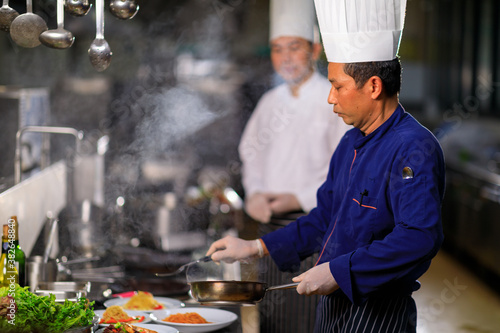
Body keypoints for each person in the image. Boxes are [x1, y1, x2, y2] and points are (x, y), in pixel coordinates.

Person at [207, 0, 446, 331]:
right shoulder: (352, 141)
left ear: (374, 86)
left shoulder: (413, 147)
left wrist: (339, 271)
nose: (330, 98)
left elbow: (418, 237)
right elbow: (324, 217)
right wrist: (255, 247)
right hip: (333, 308)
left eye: (338, 86)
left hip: (377, 314)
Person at [238, 0, 351, 224]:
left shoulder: (335, 99)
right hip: (268, 223)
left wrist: (300, 199)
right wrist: (255, 192)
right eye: (277, 50)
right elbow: (251, 153)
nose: (285, 58)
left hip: (318, 221)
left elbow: (349, 167)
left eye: (294, 47)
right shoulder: (269, 102)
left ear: (315, 50)